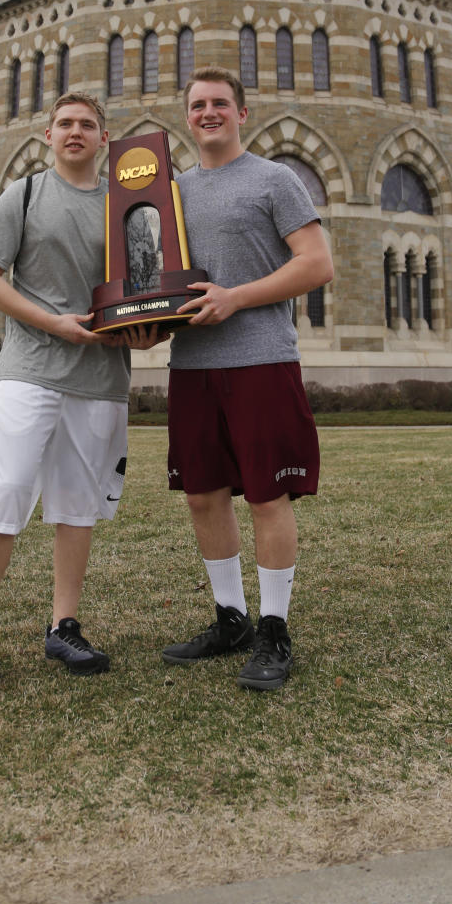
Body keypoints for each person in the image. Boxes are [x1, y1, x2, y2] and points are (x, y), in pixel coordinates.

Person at [0, 91, 153, 704]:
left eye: (86, 125)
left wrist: (145, 329)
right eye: (64, 123)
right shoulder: (27, 194)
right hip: (31, 371)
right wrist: (48, 321)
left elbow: (142, 291)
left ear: (103, 139)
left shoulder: (130, 208)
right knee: (8, 494)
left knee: (76, 507)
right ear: (48, 135)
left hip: (100, 379)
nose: (75, 132)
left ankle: (64, 627)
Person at [162, 66, 334, 690]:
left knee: (267, 496)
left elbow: (317, 264)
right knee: (204, 494)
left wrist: (237, 298)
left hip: (262, 359)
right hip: (194, 364)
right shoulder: (172, 191)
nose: (208, 113)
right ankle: (230, 617)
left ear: (240, 112)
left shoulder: (274, 179)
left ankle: (274, 629)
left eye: (220, 104)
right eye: (198, 104)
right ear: (187, 116)